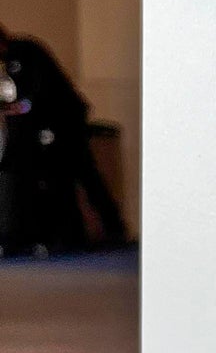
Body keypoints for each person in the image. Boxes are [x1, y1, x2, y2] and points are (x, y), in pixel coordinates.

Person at [0, 21, 128, 255]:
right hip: (49, 124)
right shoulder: (10, 61)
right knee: (67, 178)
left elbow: (38, 95)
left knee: (82, 174)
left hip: (64, 121)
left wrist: (19, 108)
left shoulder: (24, 53)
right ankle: (74, 234)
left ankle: (112, 229)